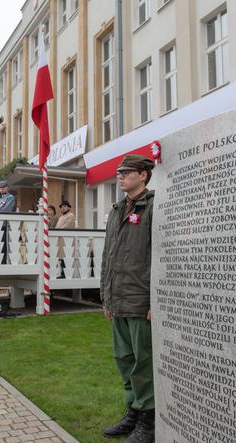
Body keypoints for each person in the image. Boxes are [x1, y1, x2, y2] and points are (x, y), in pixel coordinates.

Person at [101, 155, 155, 443]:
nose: (119, 176)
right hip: (117, 300)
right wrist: (105, 298)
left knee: (142, 362)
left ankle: (149, 421)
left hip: (139, 300)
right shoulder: (117, 209)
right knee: (124, 359)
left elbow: (159, 257)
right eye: (118, 172)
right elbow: (108, 256)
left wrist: (154, 302)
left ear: (143, 175)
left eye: (126, 172)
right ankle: (133, 411)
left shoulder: (153, 206)